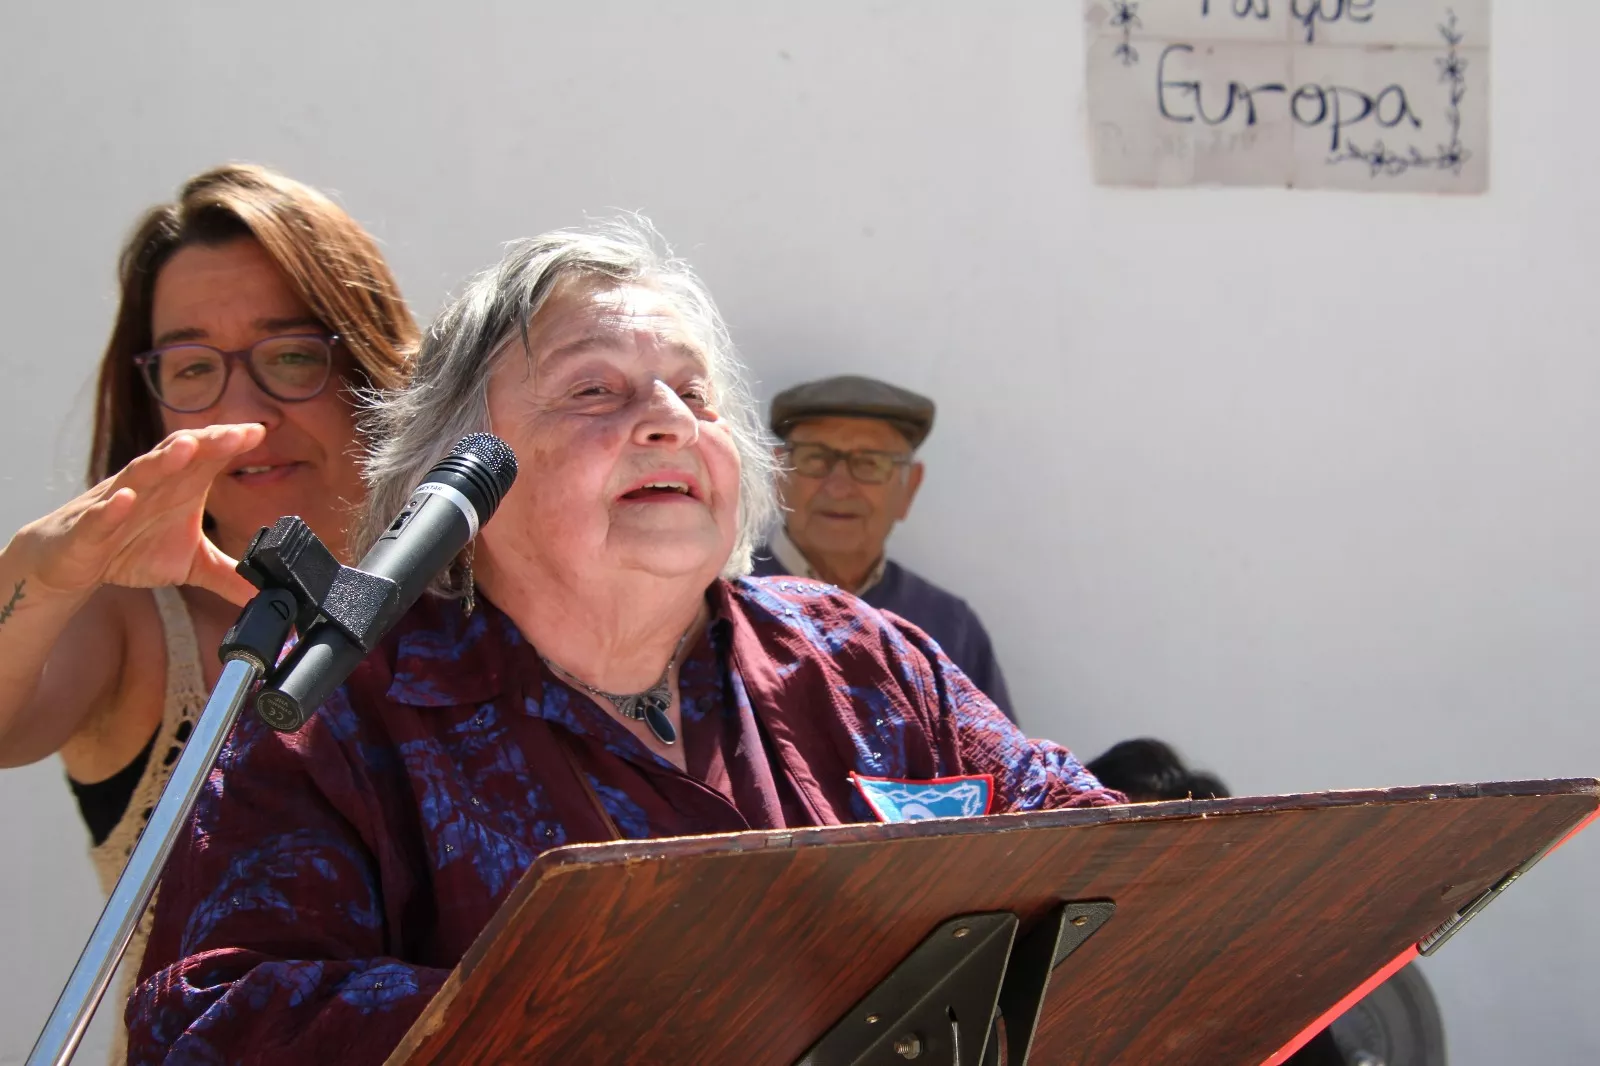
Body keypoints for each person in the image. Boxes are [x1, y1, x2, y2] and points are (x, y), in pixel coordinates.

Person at [125, 220, 1120, 1063]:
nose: (668, 422)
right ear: (462, 470)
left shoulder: (865, 661)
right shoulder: (345, 711)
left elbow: (1111, 879)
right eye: (594, 390)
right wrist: (619, 1014)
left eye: (695, 392)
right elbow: (209, 1018)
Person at [0, 164, 416, 1060]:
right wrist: (38, 573)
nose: (245, 413)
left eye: (292, 355)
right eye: (193, 368)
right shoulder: (131, 621)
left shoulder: (483, 596)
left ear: (375, 366)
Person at [1087, 738, 1448, 1066]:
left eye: (1165, 860)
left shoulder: (1258, 993)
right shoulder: (1059, 975)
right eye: (1121, 853)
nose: (1140, 881)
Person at [751, 374, 1016, 719]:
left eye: (870, 463)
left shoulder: (947, 626)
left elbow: (996, 767)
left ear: (910, 488)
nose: (839, 487)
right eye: (816, 458)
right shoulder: (718, 601)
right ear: (779, 475)